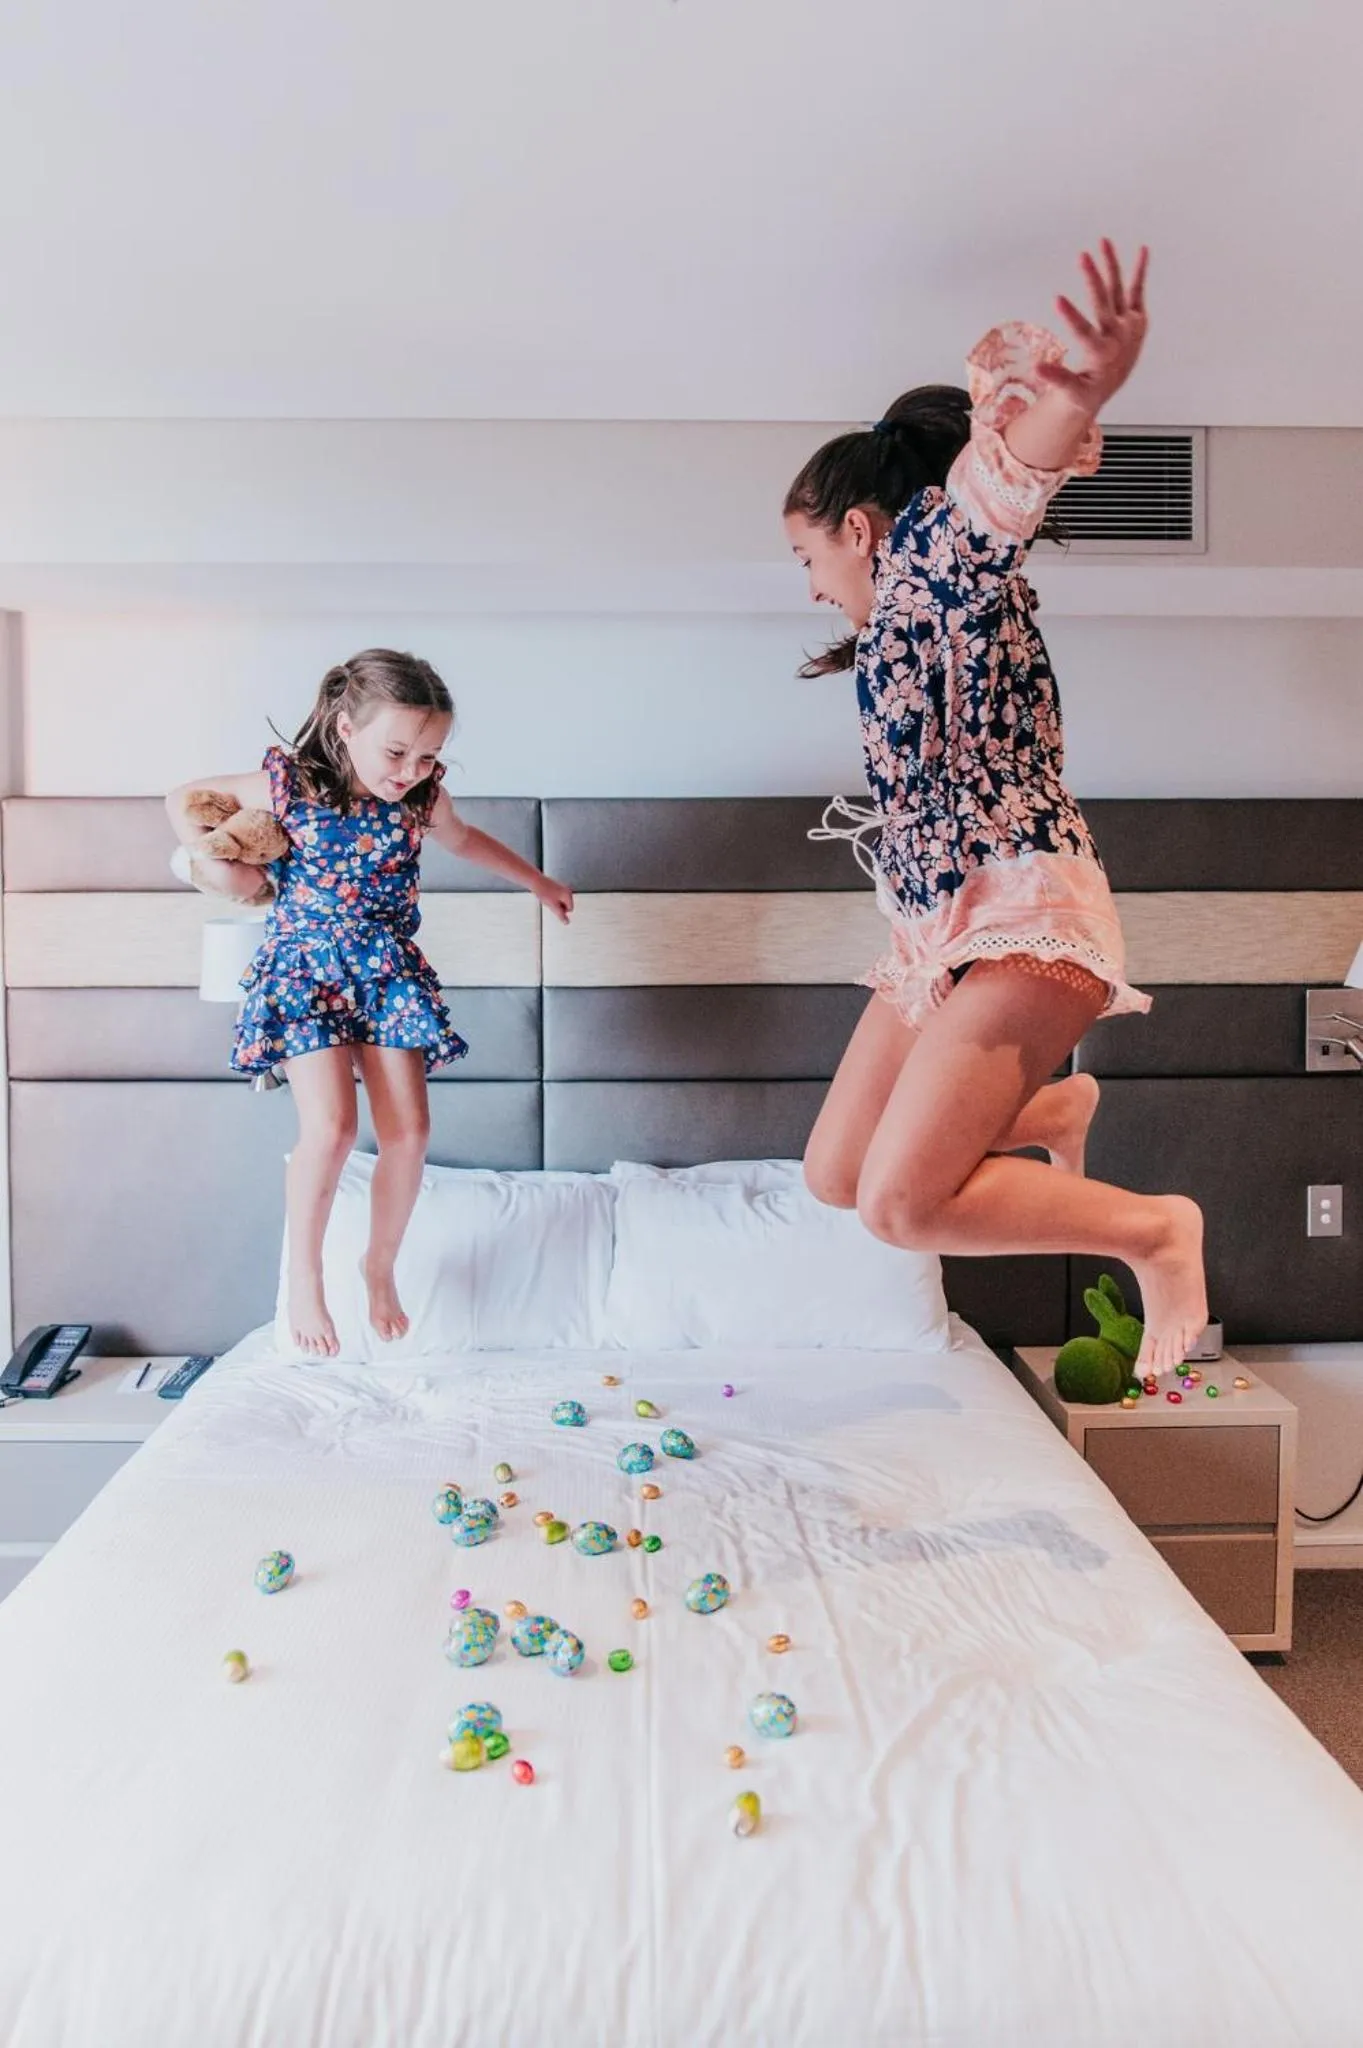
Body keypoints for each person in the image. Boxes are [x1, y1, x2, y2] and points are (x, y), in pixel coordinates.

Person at [785, 243, 1205, 1373]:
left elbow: (998, 487)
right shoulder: (890, 640)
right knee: (835, 1173)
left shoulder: (935, 560)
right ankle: (1049, 1116)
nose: (810, 582)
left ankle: (1154, 1228)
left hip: (1024, 911)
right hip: (945, 935)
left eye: (805, 552)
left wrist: (1075, 392)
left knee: (901, 1206)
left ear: (861, 526)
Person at [167, 648, 573, 1358]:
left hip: (384, 968)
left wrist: (537, 881)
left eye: (428, 755)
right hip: (304, 966)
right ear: (343, 725)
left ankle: (378, 1266)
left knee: (410, 1134)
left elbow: (466, 840)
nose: (410, 770)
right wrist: (212, 861)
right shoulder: (286, 784)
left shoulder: (420, 799)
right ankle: (304, 1277)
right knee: (328, 1129)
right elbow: (184, 797)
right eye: (397, 751)